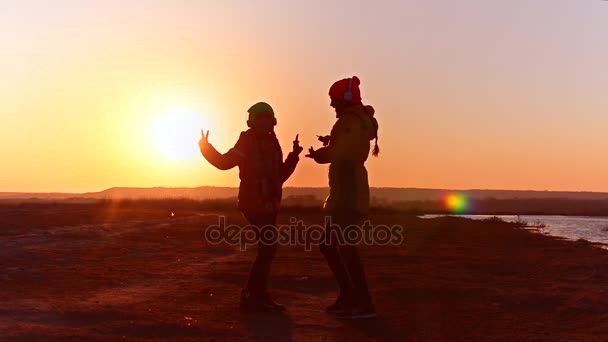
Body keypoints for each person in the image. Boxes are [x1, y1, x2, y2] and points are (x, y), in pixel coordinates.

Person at [198, 102, 303, 312]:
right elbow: (223, 162)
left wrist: (293, 156)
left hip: (270, 204)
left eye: (267, 117)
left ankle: (257, 295)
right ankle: (253, 296)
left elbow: (280, 176)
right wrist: (205, 147)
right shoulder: (246, 141)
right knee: (268, 248)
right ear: (251, 122)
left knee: (268, 249)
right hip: (252, 203)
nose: (264, 121)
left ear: (273, 121)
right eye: (260, 117)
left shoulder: (274, 143)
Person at [306, 76, 380, 319]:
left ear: (346, 99)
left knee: (345, 247)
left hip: (348, 192)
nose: (331, 105)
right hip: (345, 191)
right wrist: (331, 142)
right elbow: (348, 145)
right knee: (330, 245)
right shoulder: (357, 122)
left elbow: (341, 152)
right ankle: (349, 296)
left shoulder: (350, 121)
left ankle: (363, 302)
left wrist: (320, 154)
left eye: (333, 100)